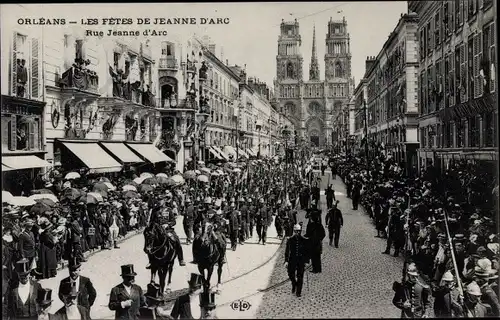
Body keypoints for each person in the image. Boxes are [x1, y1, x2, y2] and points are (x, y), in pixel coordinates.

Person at [284, 224, 310, 297]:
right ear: (294, 231)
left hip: (301, 260)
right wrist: (286, 261)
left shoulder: (304, 240)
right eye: (296, 231)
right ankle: (294, 284)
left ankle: (298, 292)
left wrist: (307, 261)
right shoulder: (290, 240)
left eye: (298, 231)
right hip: (292, 260)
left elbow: (307, 252)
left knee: (300, 276)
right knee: (290, 274)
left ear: (300, 231)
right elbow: (287, 251)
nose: (297, 233)